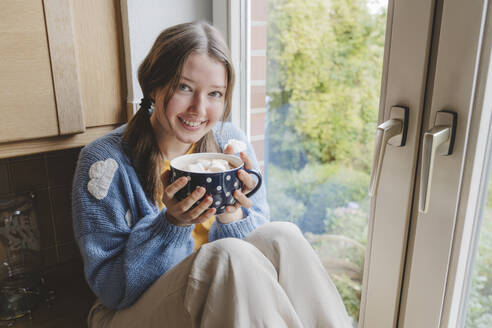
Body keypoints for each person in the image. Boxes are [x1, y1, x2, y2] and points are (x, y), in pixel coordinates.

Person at [72, 21, 351, 328]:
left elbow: (255, 269)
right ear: (153, 84)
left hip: (223, 297)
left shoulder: (230, 143)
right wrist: (171, 224)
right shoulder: (105, 162)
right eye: (184, 87)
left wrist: (233, 216)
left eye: (215, 93)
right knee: (229, 255)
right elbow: (113, 291)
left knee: (282, 235)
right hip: (130, 311)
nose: (199, 109)